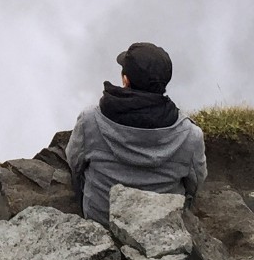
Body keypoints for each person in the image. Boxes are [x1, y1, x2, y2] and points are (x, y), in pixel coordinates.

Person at [64, 41, 206, 225]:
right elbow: (195, 183)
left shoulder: (90, 120)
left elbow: (74, 164)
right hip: (162, 230)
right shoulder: (190, 135)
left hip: (101, 221)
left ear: (126, 80)